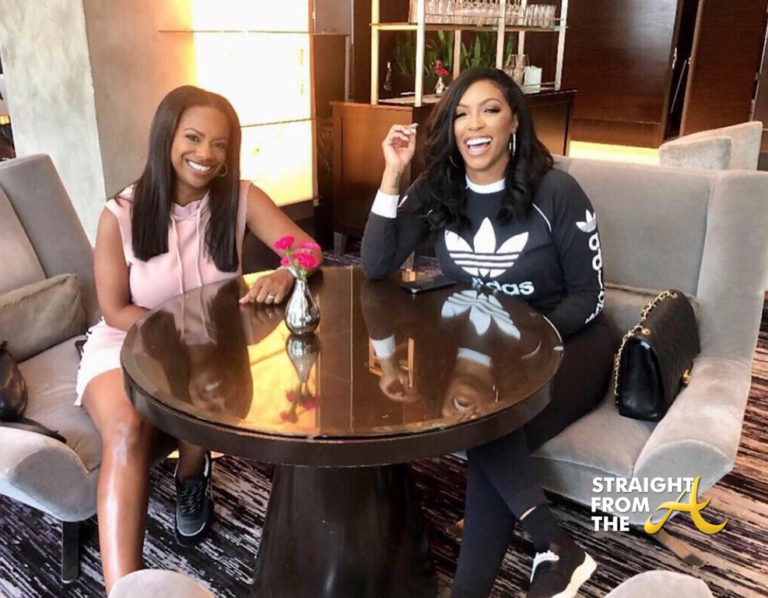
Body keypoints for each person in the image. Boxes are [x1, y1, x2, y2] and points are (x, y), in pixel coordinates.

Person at [361, 67, 615, 598]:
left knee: (487, 421)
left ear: (514, 122)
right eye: (460, 114)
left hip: (569, 344)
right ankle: (552, 543)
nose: (474, 124)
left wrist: (524, 347)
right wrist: (393, 173)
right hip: (481, 353)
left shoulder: (556, 191)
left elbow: (589, 297)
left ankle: (516, 567)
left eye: (490, 110)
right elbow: (377, 265)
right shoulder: (439, 190)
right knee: (484, 417)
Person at [75, 85, 322, 593]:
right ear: (166, 137)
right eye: (192, 137)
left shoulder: (240, 198)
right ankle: (124, 590)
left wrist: (286, 271)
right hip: (128, 342)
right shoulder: (120, 213)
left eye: (219, 144)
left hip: (213, 347)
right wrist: (179, 339)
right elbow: (114, 308)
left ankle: (192, 472)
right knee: (127, 429)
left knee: (211, 383)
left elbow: (308, 250)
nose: (205, 153)